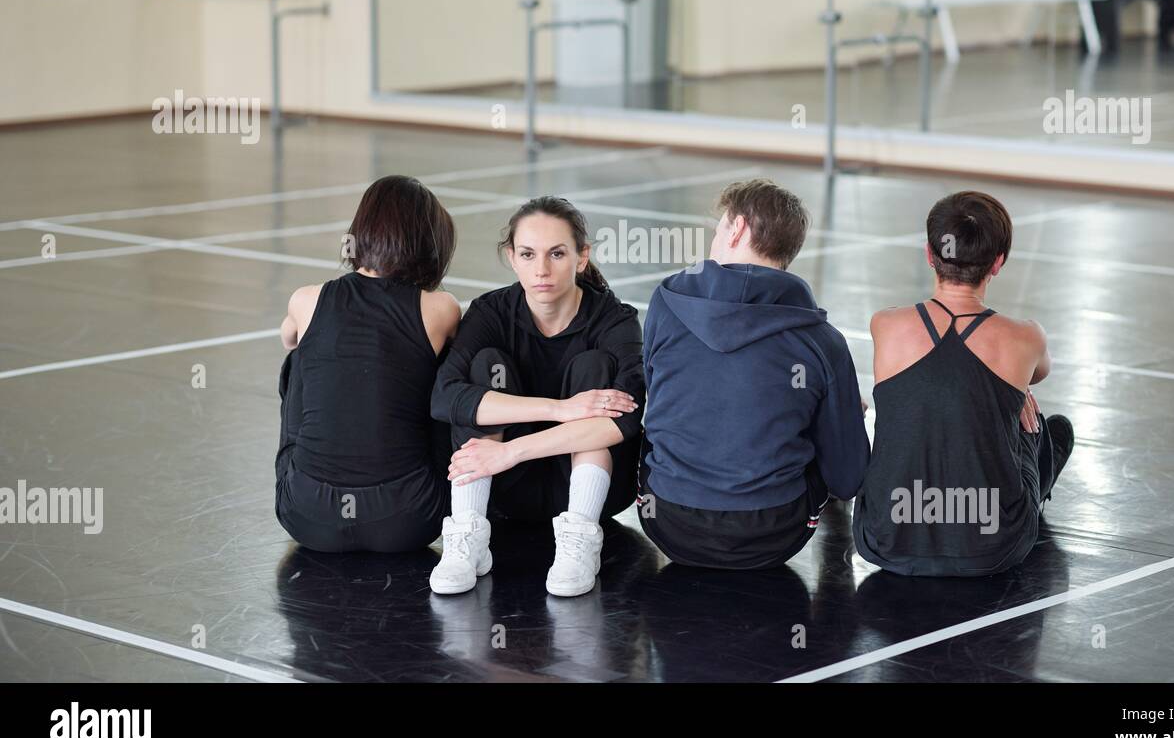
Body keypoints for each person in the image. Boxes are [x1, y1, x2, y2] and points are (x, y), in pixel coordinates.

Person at [637, 178, 870, 569]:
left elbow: (655, 391)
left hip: (667, 522)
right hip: (772, 535)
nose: (713, 242)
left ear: (738, 228)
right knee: (823, 422)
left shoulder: (666, 302)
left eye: (718, 230)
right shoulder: (822, 340)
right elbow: (848, 480)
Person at [428, 196, 645, 598]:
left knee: (593, 368)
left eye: (557, 254)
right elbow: (445, 397)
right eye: (528, 254)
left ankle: (579, 540)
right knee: (486, 366)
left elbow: (626, 419)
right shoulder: (491, 312)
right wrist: (559, 409)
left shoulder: (615, 319)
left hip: (588, 486)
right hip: (503, 489)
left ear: (582, 257)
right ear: (512, 257)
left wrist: (512, 451)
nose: (541, 270)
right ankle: (468, 537)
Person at [854, 190, 1074, 576]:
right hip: (994, 546)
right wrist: (1015, 387)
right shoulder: (1028, 337)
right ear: (998, 263)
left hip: (885, 538)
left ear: (928, 254)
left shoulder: (885, 325)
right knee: (1044, 425)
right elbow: (1038, 374)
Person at [276, 175, 461, 552]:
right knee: (446, 370)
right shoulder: (441, 307)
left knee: (299, 359)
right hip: (409, 520)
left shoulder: (306, 298)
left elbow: (288, 338)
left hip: (308, 519)